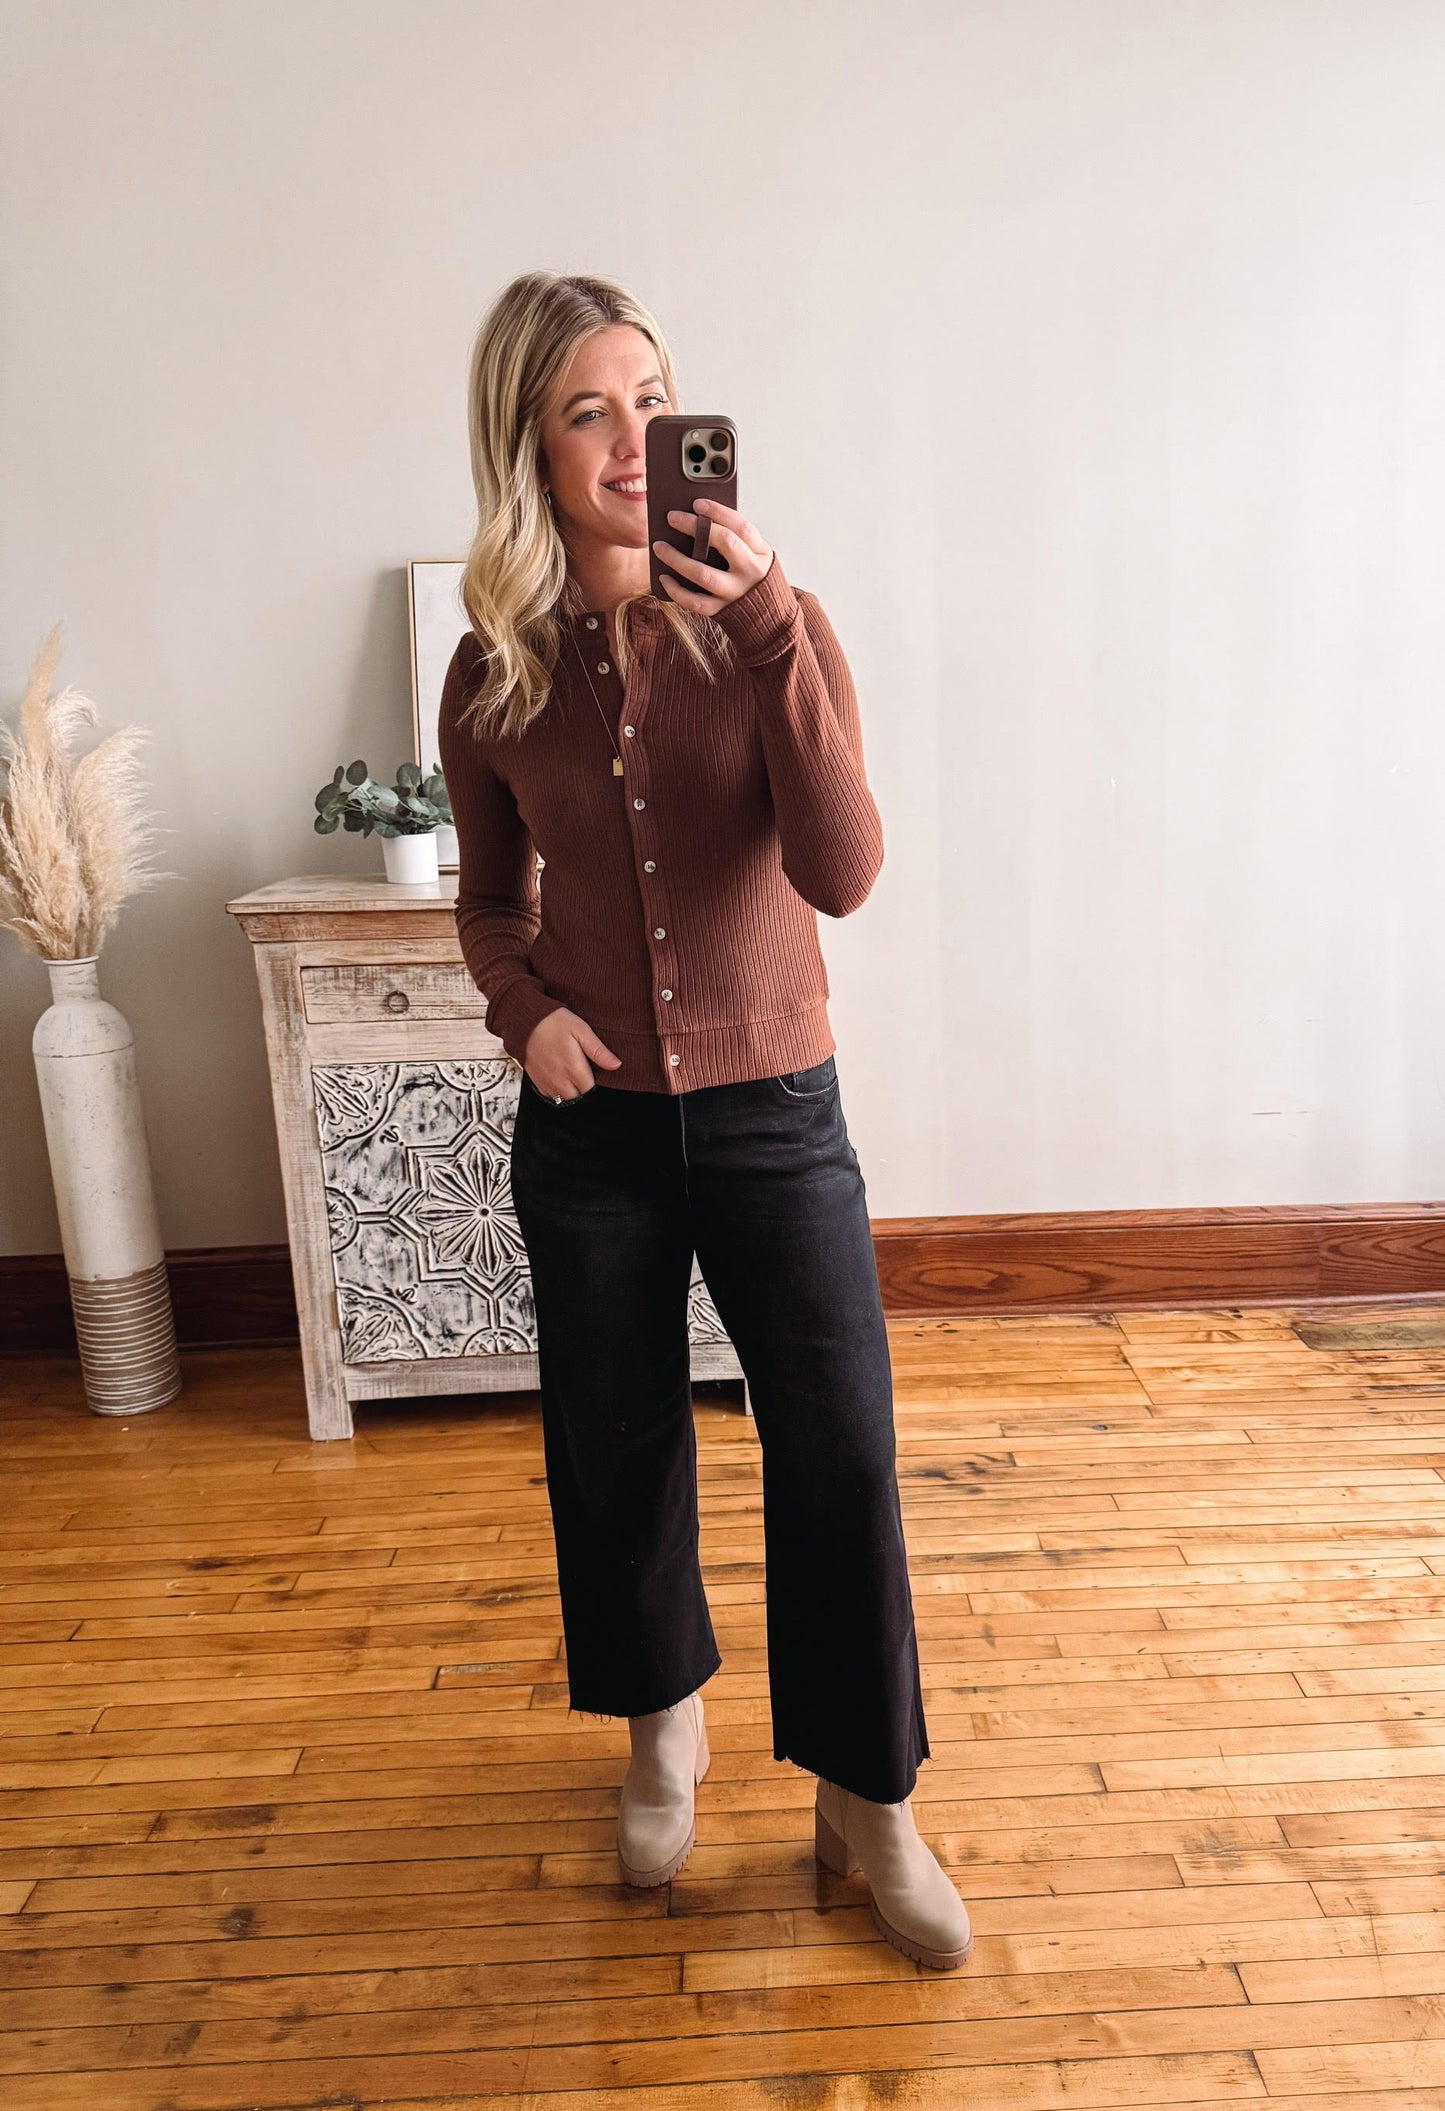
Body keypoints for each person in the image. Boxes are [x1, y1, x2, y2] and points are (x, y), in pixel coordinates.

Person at [437, 270, 972, 1972]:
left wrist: (768, 632)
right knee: (613, 1445)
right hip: (590, 1130)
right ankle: (660, 1729)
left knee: (840, 1447)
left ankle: (866, 1797)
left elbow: (844, 871)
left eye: (652, 402)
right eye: (587, 410)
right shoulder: (491, 668)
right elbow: (488, 899)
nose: (630, 440)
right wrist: (525, 1013)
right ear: (528, 440)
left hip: (774, 1110)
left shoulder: (774, 626)